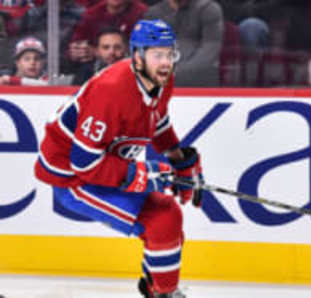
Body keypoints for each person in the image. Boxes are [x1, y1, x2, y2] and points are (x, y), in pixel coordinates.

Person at [34, 19, 204, 298]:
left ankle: (159, 289)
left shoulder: (161, 78)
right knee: (162, 220)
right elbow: (83, 163)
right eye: (157, 54)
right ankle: (162, 292)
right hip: (71, 177)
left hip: (104, 163)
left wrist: (180, 160)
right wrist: (141, 174)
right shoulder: (110, 91)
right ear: (137, 57)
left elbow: (157, 120)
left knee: (168, 220)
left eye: (169, 53)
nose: (165, 62)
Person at [143, 0, 224, 87]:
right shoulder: (153, 13)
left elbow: (210, 49)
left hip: (199, 81)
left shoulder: (208, 9)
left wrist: (178, 72)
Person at [67, 0, 147, 66]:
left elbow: (146, 51)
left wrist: (99, 52)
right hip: (94, 68)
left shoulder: (143, 14)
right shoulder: (91, 14)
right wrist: (78, 51)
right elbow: (76, 45)